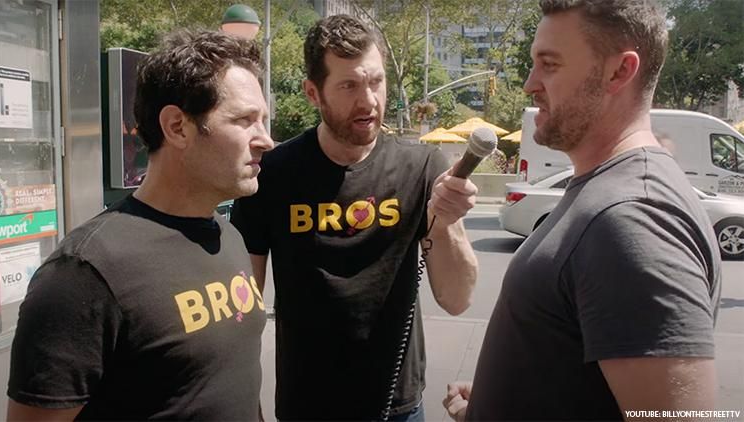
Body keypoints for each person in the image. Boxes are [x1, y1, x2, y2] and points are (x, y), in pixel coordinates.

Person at [444, 1, 722, 420]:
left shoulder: (633, 218)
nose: (529, 84)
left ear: (619, 72)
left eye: (549, 65)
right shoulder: (604, 190)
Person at [7, 29, 274, 420]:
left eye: (263, 120)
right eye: (244, 120)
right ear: (177, 126)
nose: (266, 140)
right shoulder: (83, 274)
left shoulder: (228, 236)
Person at [231, 14, 478, 421]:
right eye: (349, 86)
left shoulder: (422, 168)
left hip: (397, 407)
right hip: (306, 407)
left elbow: (456, 299)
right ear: (313, 93)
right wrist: (243, 407)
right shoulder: (272, 174)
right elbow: (243, 310)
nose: (369, 101)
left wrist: (446, 220)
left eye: (376, 81)